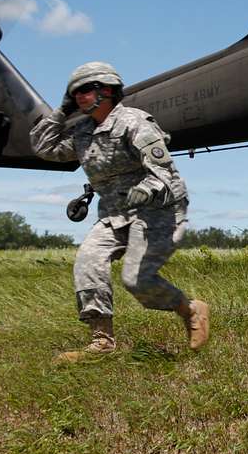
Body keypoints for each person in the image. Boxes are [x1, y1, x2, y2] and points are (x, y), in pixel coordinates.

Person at [30, 61, 209, 361]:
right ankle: (102, 342)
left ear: (108, 91)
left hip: (158, 209)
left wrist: (146, 190)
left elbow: (166, 173)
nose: (79, 97)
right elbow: (43, 148)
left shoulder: (135, 123)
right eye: (74, 93)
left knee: (137, 279)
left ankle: (191, 310)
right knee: (87, 262)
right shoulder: (84, 132)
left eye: (86, 90)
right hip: (114, 213)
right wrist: (60, 111)